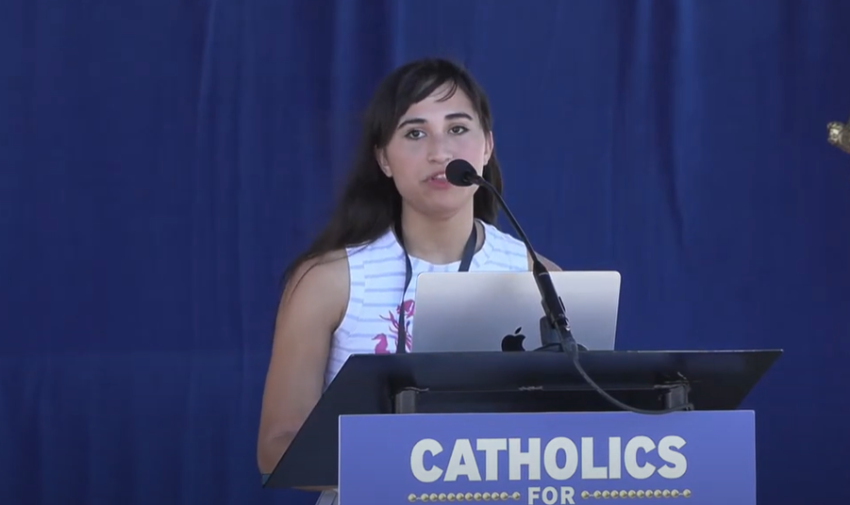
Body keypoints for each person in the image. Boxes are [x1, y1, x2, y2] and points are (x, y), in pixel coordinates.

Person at [256, 57, 561, 504]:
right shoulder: (326, 282)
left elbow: (569, 435)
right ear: (383, 157)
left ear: (487, 147)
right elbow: (276, 448)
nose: (439, 152)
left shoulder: (540, 280)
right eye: (415, 133)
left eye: (457, 129)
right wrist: (415, 458)